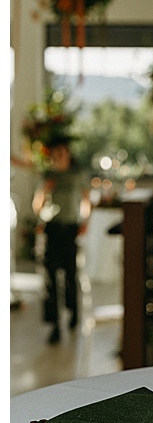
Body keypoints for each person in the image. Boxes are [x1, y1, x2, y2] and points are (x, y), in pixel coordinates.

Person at [32, 138, 91, 344]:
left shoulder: (76, 175)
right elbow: (37, 206)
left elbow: (86, 199)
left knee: (70, 274)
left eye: (62, 152)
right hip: (51, 229)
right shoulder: (48, 176)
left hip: (70, 229)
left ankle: (74, 313)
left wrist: (85, 220)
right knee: (50, 279)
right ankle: (55, 325)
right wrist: (45, 191)